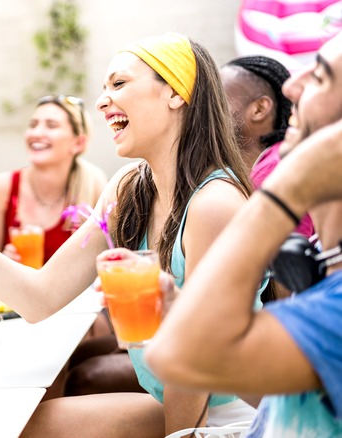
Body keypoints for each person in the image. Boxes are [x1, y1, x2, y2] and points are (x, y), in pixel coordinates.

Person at [0, 33, 262, 436]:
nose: (101, 102)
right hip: (170, 397)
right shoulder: (129, 190)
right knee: (22, 425)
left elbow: (196, 359)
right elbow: (38, 297)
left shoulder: (214, 205)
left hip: (228, 413)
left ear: (174, 93)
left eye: (118, 84)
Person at [146, 32, 342, 436]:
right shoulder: (326, 260)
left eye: (320, 77)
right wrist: (193, 311)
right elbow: (288, 398)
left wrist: (286, 192)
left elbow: (177, 357)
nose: (292, 85)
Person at [0, 95, 107, 265]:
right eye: (33, 125)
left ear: (78, 143)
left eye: (51, 125)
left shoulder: (94, 184)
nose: (36, 133)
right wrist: (3, 263)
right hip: (15, 291)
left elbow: (104, 263)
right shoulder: (2, 187)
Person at [220, 54, 314, 239]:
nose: (210, 109)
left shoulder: (276, 169)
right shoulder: (259, 167)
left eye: (219, 99)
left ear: (259, 109)